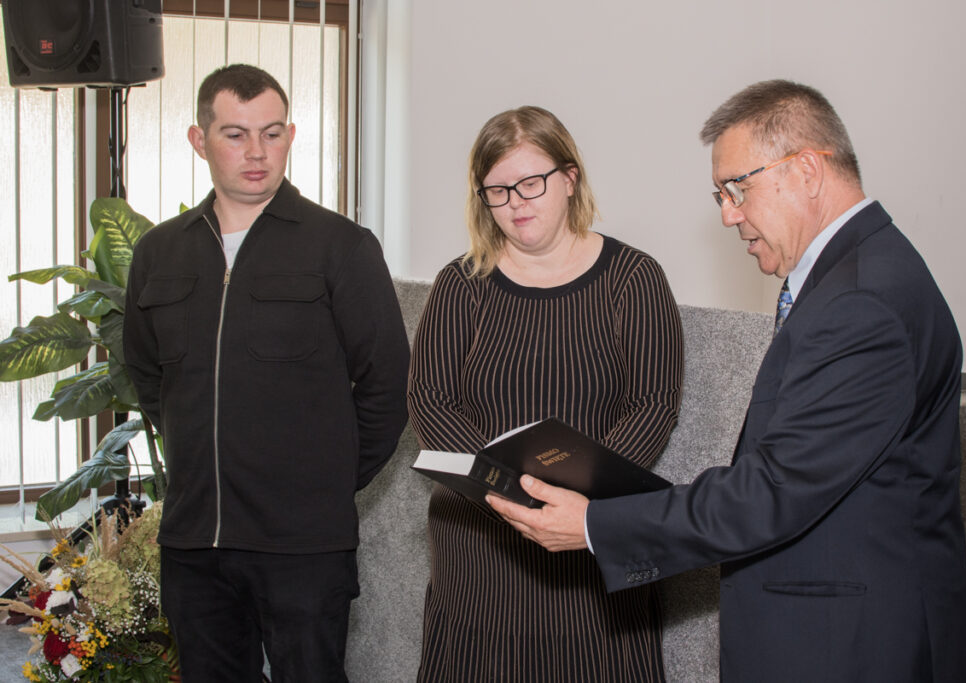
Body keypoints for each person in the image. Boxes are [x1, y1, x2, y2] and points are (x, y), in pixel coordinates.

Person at [489, 80, 966, 682]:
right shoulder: (858, 274)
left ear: (806, 171)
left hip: (849, 645)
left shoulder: (861, 301)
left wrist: (594, 524)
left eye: (738, 188)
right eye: (720, 194)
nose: (728, 214)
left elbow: (773, 490)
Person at [123, 64, 409, 682]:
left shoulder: (341, 246)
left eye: (272, 134)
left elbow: (387, 387)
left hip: (303, 547)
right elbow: (149, 378)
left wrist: (325, 481)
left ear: (290, 136)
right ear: (199, 140)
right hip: (194, 542)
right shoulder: (159, 253)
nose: (257, 152)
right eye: (235, 134)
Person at [408, 105, 684, 681]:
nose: (516, 202)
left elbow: (652, 405)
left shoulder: (634, 279)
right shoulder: (461, 283)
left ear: (570, 178)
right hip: (481, 546)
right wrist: (508, 493)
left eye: (531, 182)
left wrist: (575, 504)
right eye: (498, 190)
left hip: (591, 539)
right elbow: (430, 400)